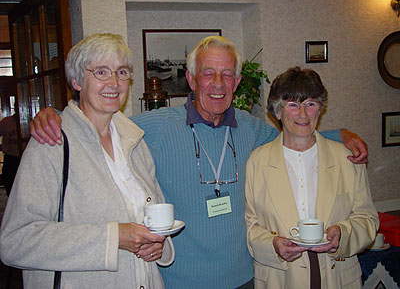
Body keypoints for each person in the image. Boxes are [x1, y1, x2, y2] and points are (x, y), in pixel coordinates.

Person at [29, 36, 368, 289]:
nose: (217, 84)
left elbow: (299, 134)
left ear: (237, 82)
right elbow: (100, 121)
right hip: (179, 281)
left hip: (245, 278)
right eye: (208, 74)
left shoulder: (253, 130)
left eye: (227, 75)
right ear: (191, 79)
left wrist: (344, 134)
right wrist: (55, 116)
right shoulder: (156, 126)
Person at [0, 33, 175, 289]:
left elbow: (153, 215)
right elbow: (15, 241)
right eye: (102, 72)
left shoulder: (135, 142)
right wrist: (114, 237)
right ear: (76, 80)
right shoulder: (51, 144)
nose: (114, 83)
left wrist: (158, 245)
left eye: (122, 72)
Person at [245, 67, 378, 289]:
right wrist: (273, 245)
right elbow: (250, 225)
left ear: (320, 109)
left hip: (338, 276)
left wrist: (343, 235)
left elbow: (367, 219)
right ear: (278, 111)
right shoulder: (257, 162)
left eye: (310, 103)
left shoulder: (346, 159)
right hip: (280, 279)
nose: (303, 114)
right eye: (293, 105)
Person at [0, 113, 20, 196]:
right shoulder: (6, 122)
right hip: (10, 157)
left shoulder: (28, 120)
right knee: (9, 182)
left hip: (23, 157)